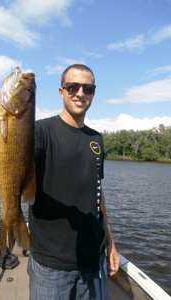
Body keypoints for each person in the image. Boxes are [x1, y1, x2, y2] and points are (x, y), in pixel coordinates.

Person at [28, 64, 120, 300]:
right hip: (51, 265)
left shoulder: (96, 139)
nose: (80, 93)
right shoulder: (39, 132)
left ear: (93, 93)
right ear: (61, 91)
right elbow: (16, 168)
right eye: (73, 87)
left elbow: (97, 192)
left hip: (93, 260)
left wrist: (111, 243)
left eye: (87, 88)